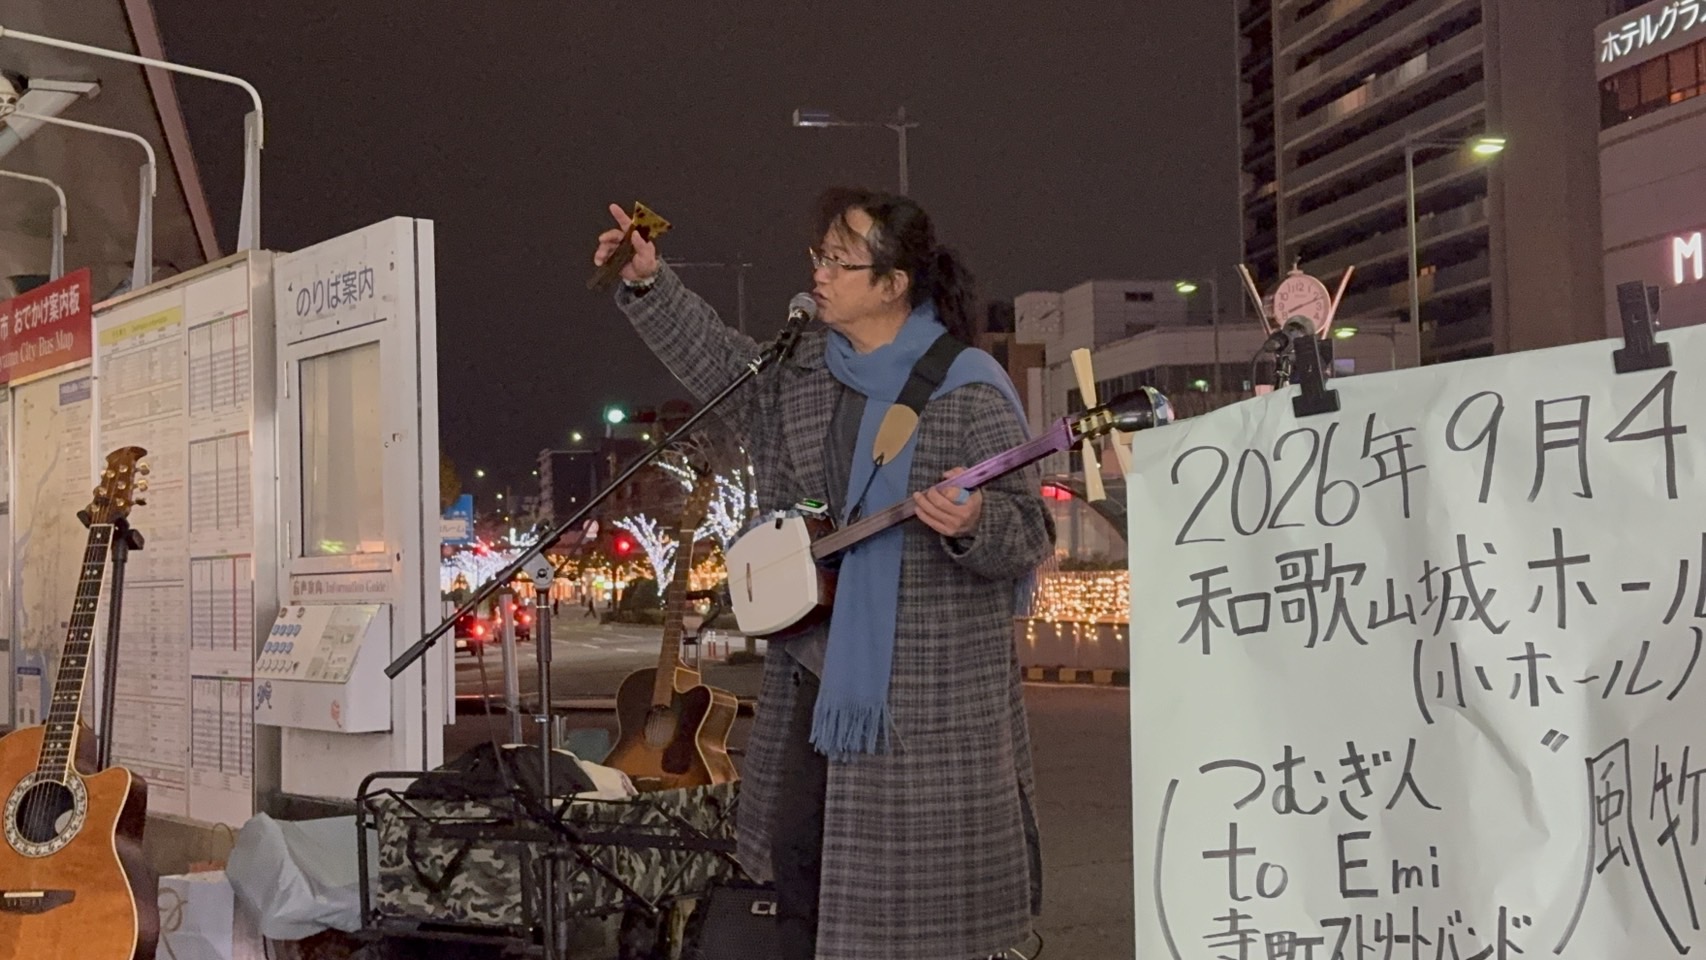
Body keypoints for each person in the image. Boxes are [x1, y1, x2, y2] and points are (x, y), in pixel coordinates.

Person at [595, 188, 1052, 960]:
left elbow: (1028, 532)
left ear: (893, 282)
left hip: (931, 693)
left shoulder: (966, 387)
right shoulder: (804, 372)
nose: (820, 274)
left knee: (920, 903)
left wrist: (975, 521)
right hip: (817, 673)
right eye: (820, 257)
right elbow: (719, 363)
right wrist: (648, 280)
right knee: (799, 868)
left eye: (841, 262)